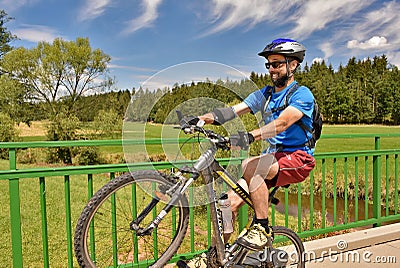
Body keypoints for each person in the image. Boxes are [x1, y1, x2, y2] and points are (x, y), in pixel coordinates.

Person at [180, 38, 316, 266]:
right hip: (272, 160)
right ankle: (214, 258)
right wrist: (203, 119)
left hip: (298, 158)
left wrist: (249, 136)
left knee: (251, 165)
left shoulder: (302, 95)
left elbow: (282, 123)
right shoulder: (266, 94)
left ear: (292, 65)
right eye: (269, 65)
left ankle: (261, 227)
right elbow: (234, 110)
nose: (272, 69)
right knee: (226, 205)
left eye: (277, 64)